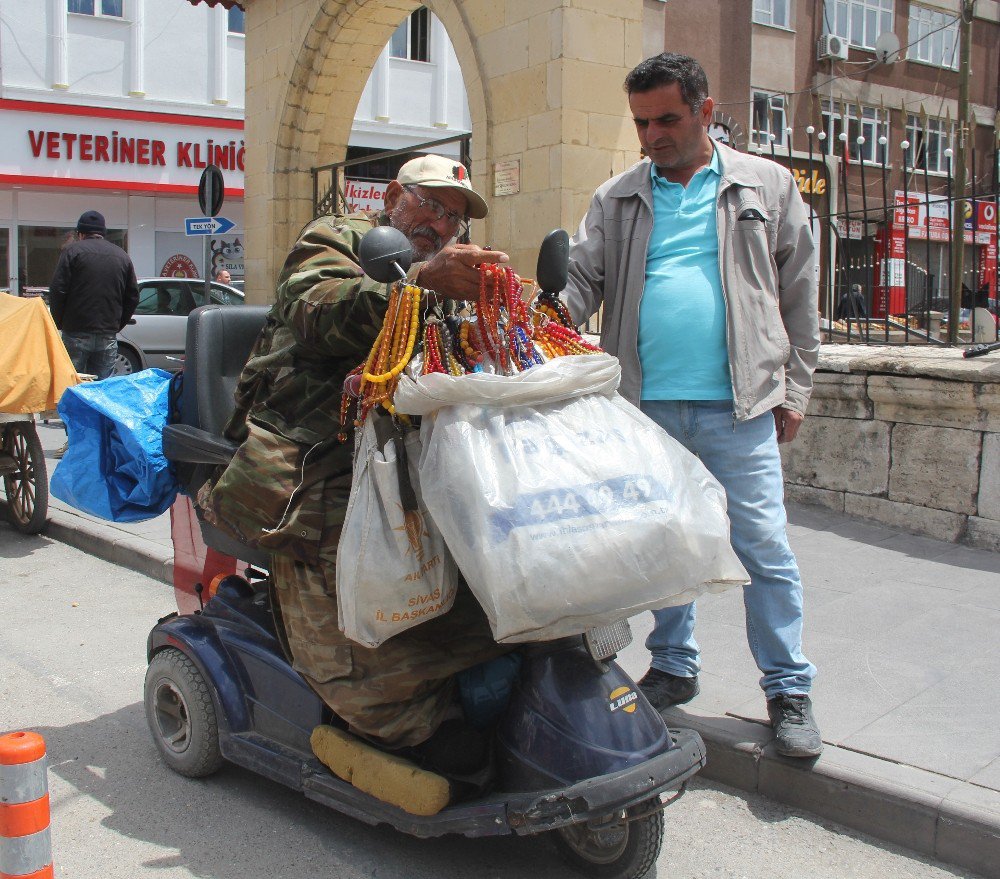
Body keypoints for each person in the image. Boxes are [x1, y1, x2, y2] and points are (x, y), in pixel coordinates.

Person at [202, 155, 511, 783]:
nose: (443, 223)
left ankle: (479, 671)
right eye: (432, 203)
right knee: (357, 604)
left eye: (454, 216)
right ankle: (397, 715)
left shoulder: (439, 277)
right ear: (395, 195)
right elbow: (319, 310)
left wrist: (494, 330)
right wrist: (423, 282)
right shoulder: (337, 238)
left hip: (407, 456)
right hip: (315, 454)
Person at [562, 54, 822, 758]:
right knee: (663, 547)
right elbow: (579, 283)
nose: (652, 135)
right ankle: (674, 668)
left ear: (705, 111)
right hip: (644, 408)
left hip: (740, 408)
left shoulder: (766, 185)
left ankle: (788, 688)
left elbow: (800, 298)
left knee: (763, 549)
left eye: (667, 119)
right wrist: (539, 305)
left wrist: (795, 391)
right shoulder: (616, 197)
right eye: (642, 122)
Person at [48, 210, 139, 380]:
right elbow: (132, 296)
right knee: (102, 388)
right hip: (107, 332)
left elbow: (58, 290)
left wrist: (59, 322)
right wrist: (116, 324)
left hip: (76, 330)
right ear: (102, 233)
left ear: (80, 234)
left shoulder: (72, 252)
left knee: (73, 384)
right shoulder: (121, 256)